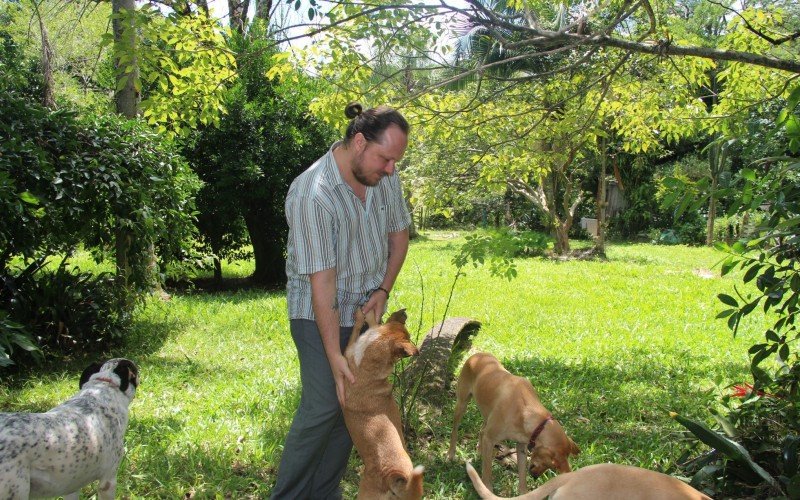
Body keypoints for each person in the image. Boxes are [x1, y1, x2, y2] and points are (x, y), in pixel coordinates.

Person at [271, 102, 412, 499]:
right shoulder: (312, 193)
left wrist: (383, 290)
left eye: (395, 161)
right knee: (322, 405)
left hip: (365, 309)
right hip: (316, 309)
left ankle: (323, 492)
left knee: (351, 403)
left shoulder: (386, 176)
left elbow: (399, 235)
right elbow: (323, 282)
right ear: (359, 141)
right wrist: (333, 354)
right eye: (385, 158)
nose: (390, 169)